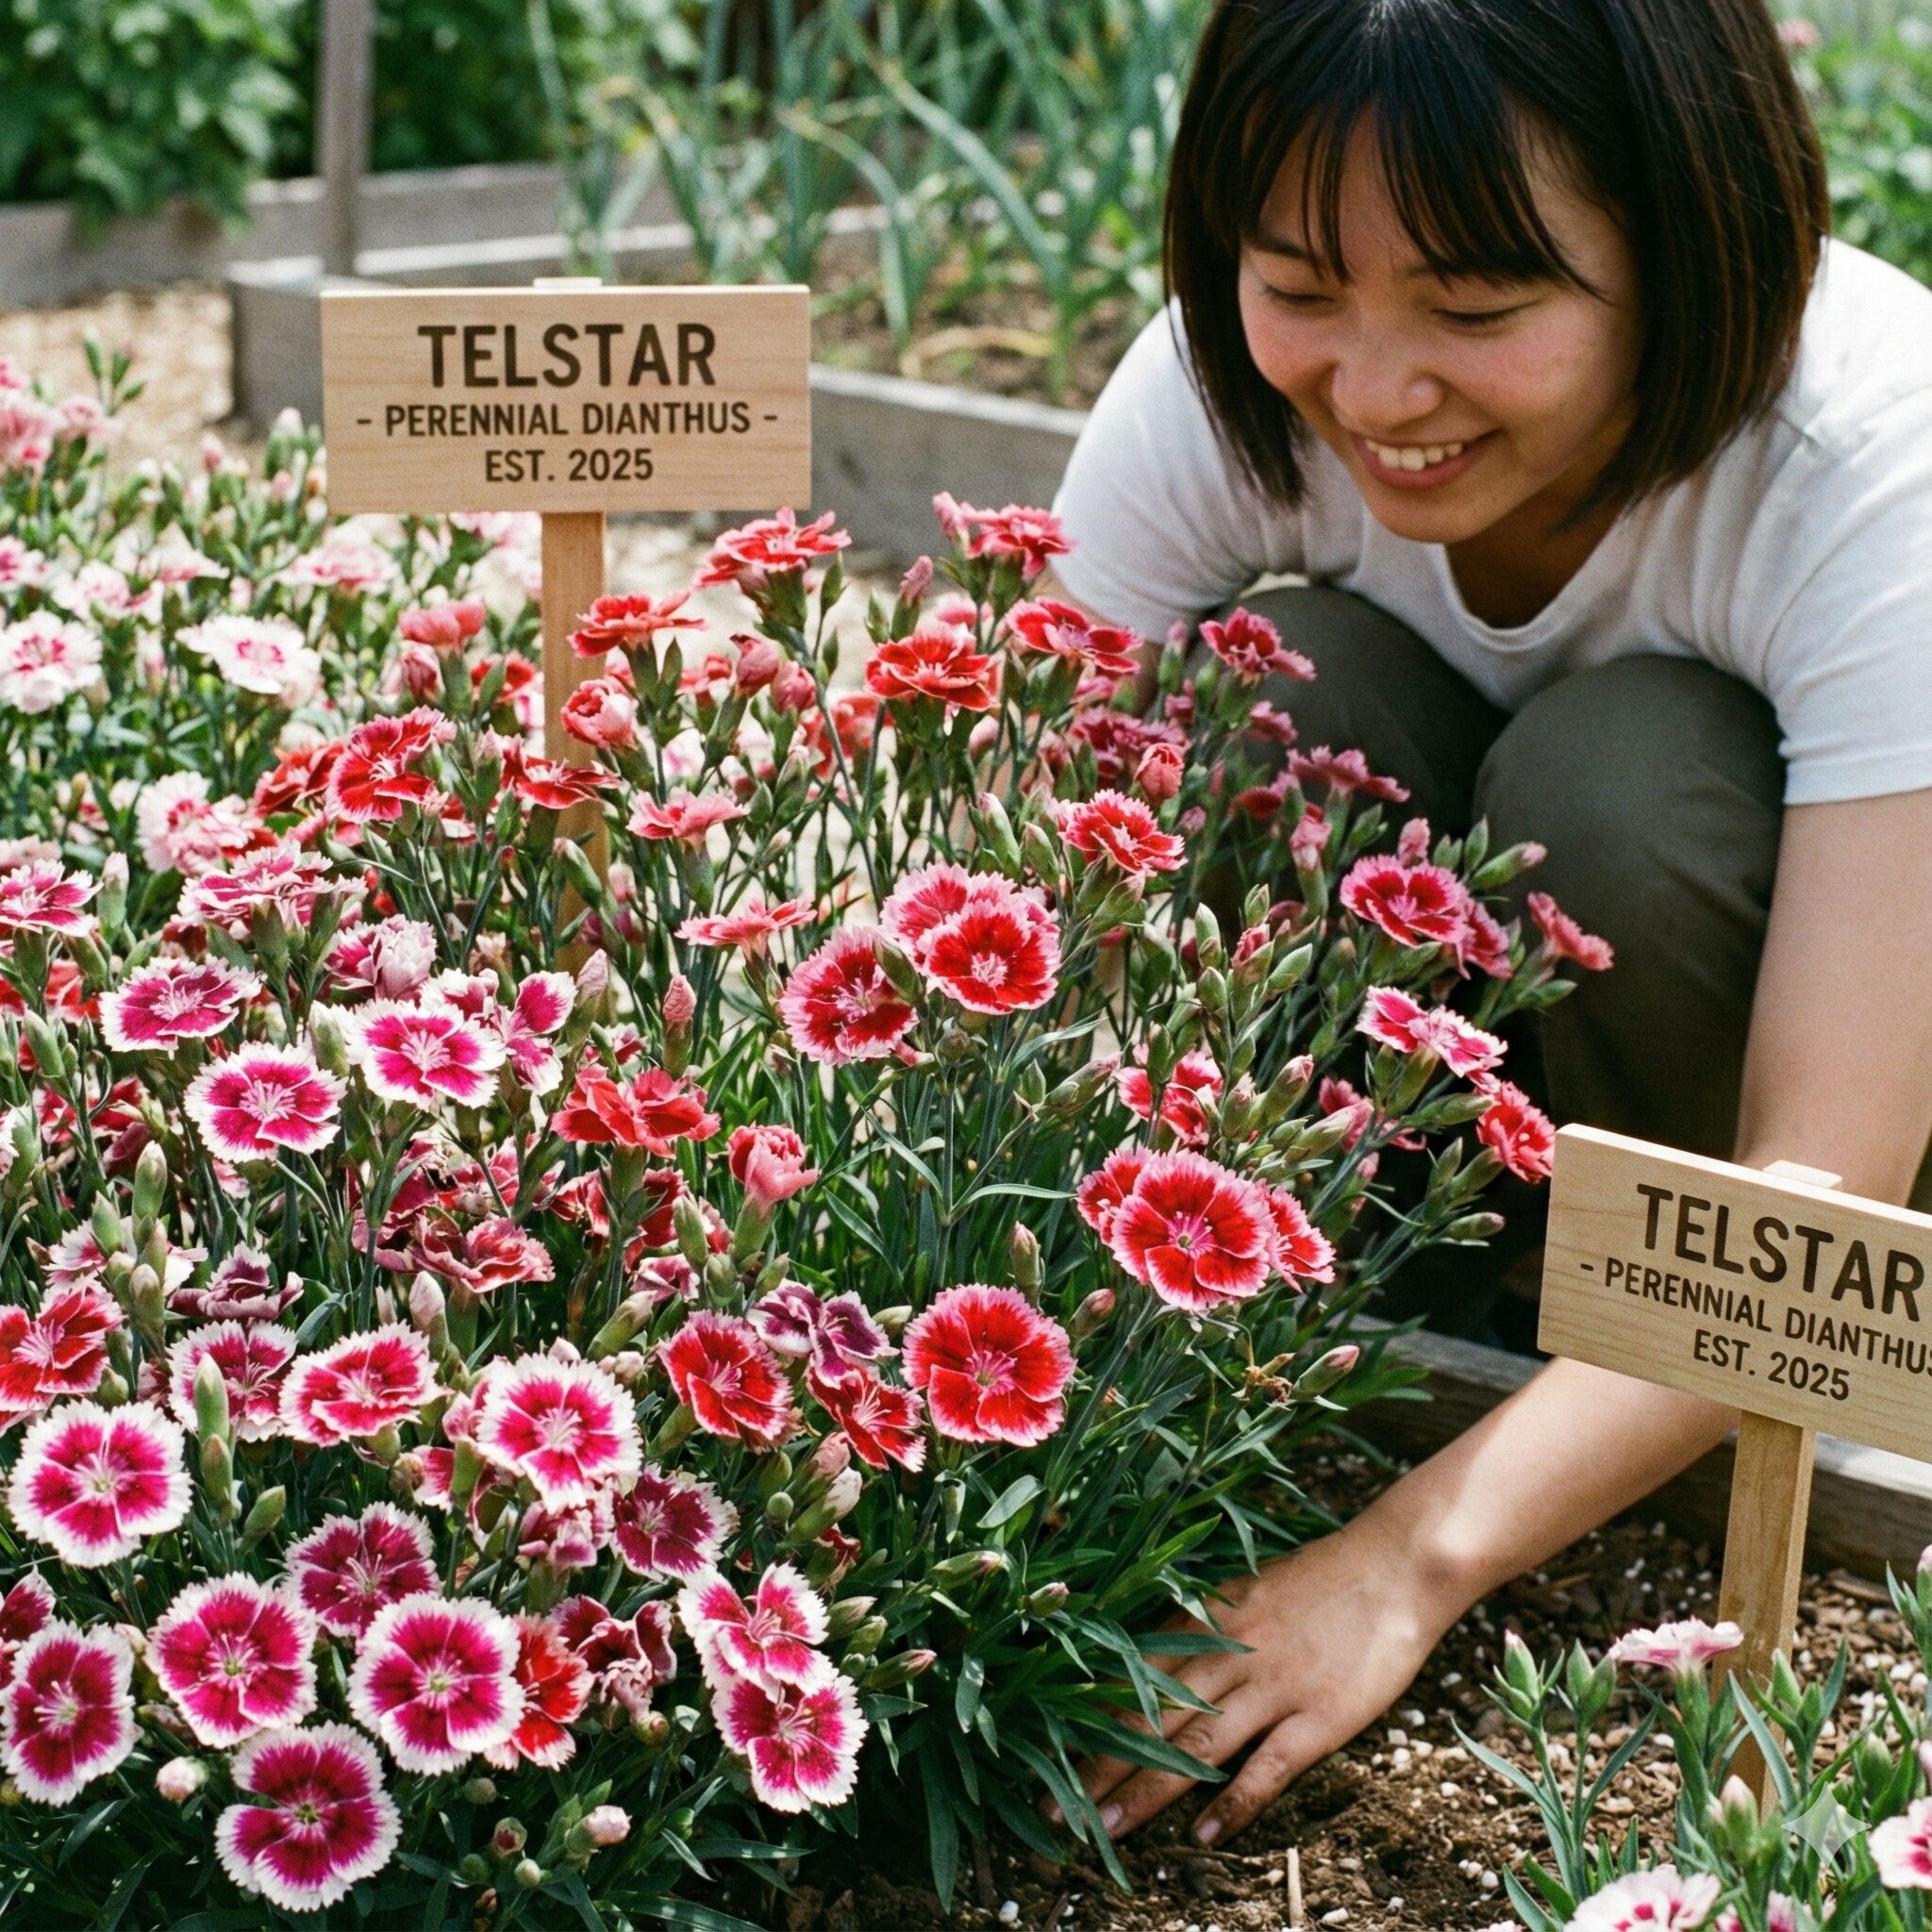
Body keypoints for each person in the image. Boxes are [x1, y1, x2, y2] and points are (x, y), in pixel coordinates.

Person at [1038, 0, 1932, 1854]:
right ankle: (1418, 1308)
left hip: (1817, 1150)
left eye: (1472, 308)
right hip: (1474, 1122)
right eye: (1299, 282)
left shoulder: (1867, 459)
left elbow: (1817, 1189)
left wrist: (1402, 1557)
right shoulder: (1217, 390)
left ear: (1691, 250)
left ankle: (1563, 1389)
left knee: (1625, 778)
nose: (1371, 390)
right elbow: (1029, 885)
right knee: (1286, 700)